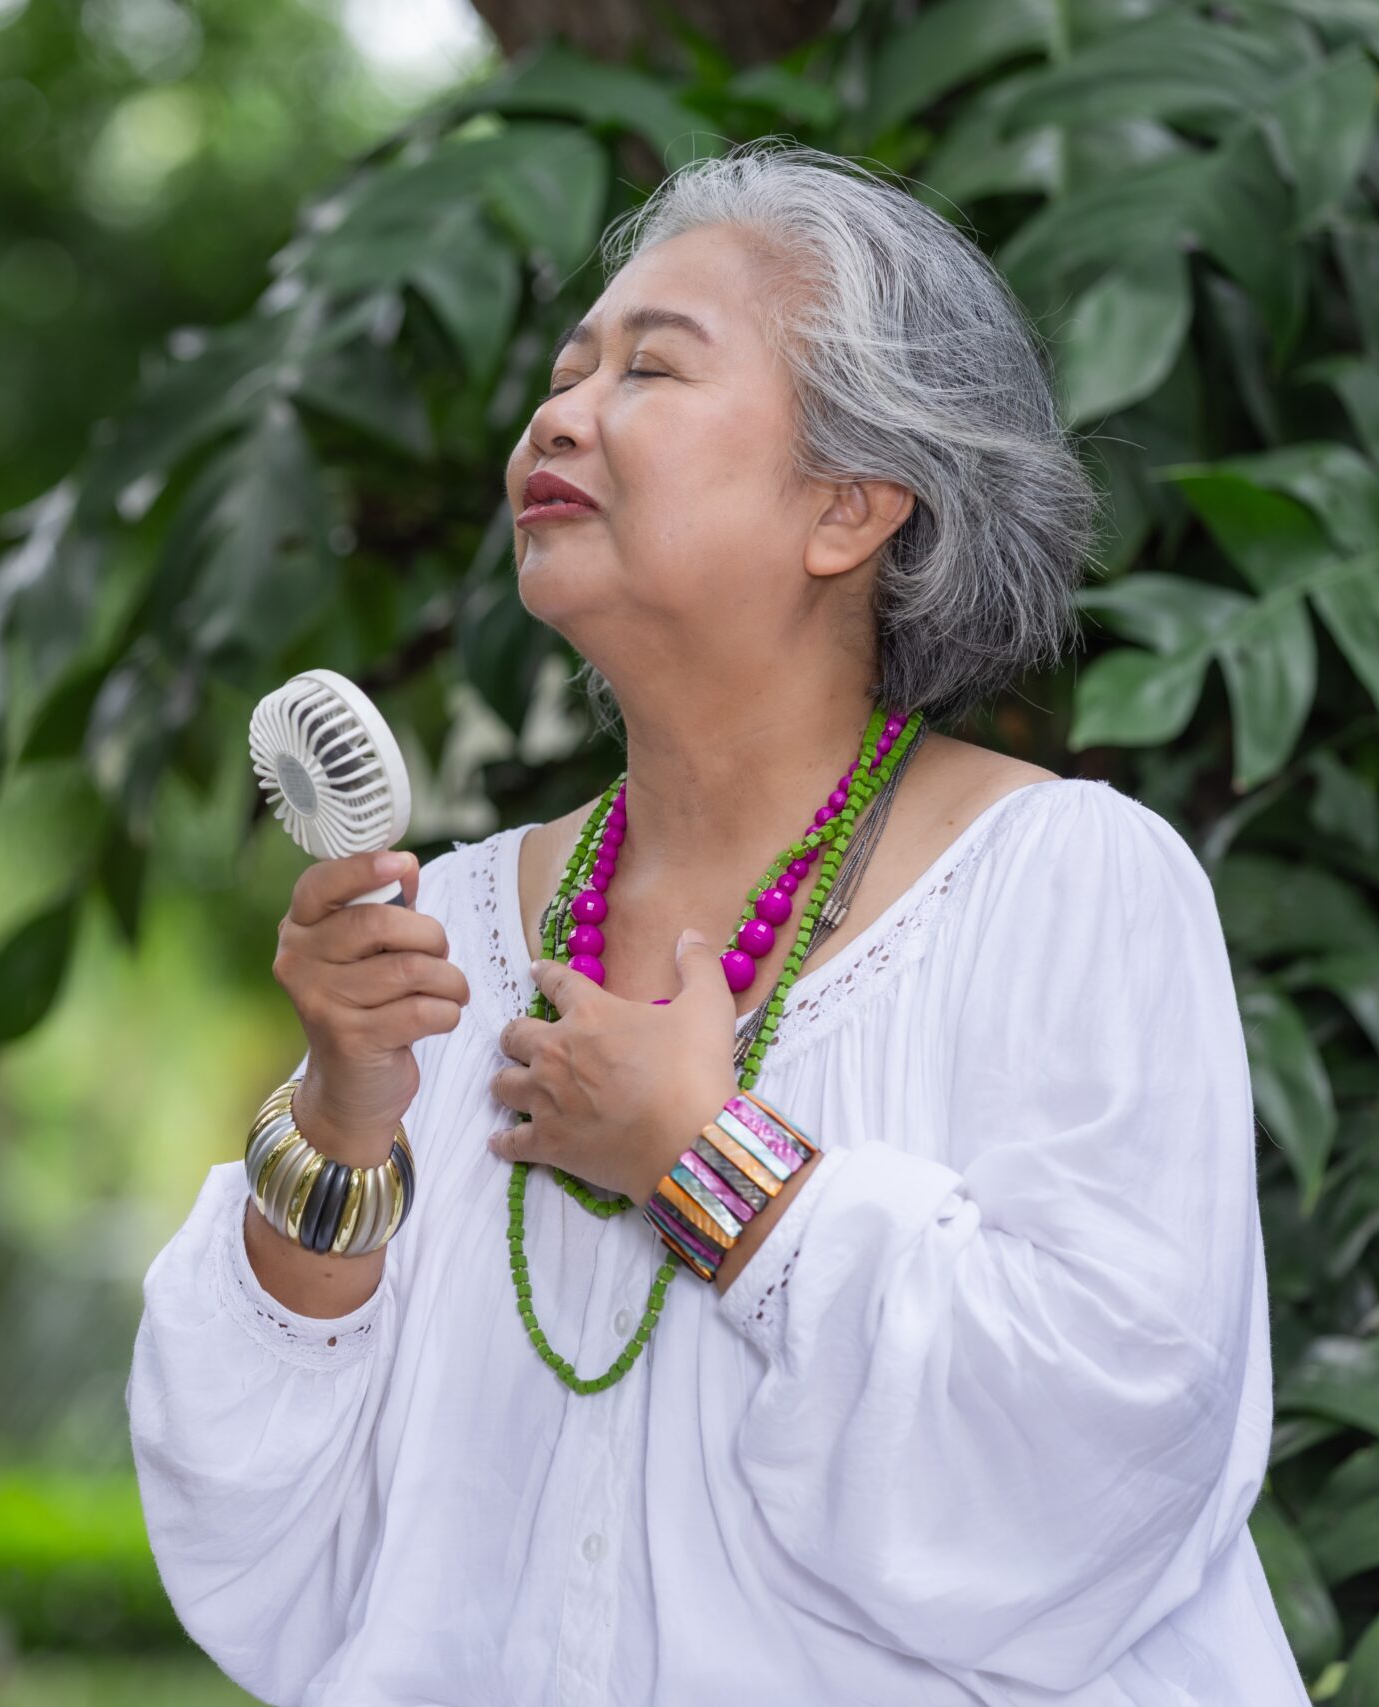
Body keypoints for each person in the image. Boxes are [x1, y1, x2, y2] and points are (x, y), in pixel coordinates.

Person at [126, 137, 1305, 1705]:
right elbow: (279, 1527)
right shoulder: (459, 929)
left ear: (847, 508)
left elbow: (1109, 1441)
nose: (559, 414)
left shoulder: (1068, 884)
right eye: (567, 369)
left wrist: (710, 1159)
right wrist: (342, 1117)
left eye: (651, 373)